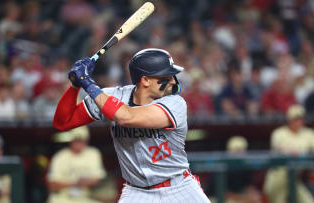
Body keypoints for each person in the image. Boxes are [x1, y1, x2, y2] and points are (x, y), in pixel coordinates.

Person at [53, 48, 210, 202]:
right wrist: (75, 86)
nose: (173, 81)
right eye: (166, 77)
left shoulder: (176, 103)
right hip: (137, 192)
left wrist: (88, 83)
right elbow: (63, 122)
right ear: (145, 80)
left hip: (179, 187)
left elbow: (126, 116)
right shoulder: (112, 96)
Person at [263, 105, 314, 203]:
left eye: (300, 119)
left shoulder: (307, 133)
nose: (299, 122)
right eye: (295, 119)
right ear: (289, 120)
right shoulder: (279, 133)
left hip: (294, 178)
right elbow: (281, 150)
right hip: (278, 179)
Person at [47, 126, 106, 203]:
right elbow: (52, 184)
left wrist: (83, 182)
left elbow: (97, 179)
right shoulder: (60, 156)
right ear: (71, 140)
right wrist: (76, 183)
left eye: (81, 140)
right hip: (61, 198)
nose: (78, 143)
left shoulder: (93, 153)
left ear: (86, 140)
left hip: (83, 198)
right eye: (76, 140)